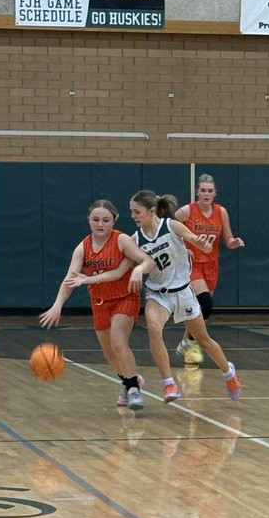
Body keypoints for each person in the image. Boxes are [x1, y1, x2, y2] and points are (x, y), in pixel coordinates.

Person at [127, 189, 242, 404]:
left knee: (204, 341)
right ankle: (168, 383)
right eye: (132, 212)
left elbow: (192, 238)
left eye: (137, 212)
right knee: (153, 328)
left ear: (151, 211)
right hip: (158, 293)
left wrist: (202, 244)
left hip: (182, 291)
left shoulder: (171, 226)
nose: (133, 216)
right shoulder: (135, 239)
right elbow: (128, 261)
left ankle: (229, 374)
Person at [39, 199, 152, 410]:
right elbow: (69, 279)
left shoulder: (122, 240)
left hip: (124, 297)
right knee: (110, 353)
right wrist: (57, 305)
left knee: (118, 341)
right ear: (89, 220)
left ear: (114, 221)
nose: (100, 224)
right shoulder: (82, 248)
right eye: (96, 219)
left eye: (106, 220)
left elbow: (147, 261)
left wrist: (137, 269)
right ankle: (130, 382)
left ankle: (134, 391)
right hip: (99, 302)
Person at [173, 173, 245, 365]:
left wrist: (234, 242)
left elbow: (228, 240)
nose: (206, 194)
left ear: (215, 193)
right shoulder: (187, 211)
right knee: (204, 304)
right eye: (203, 190)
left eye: (210, 191)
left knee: (199, 310)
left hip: (212, 265)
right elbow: (169, 228)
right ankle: (193, 344)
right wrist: (183, 247)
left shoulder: (220, 212)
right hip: (193, 264)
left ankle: (187, 342)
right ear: (197, 192)